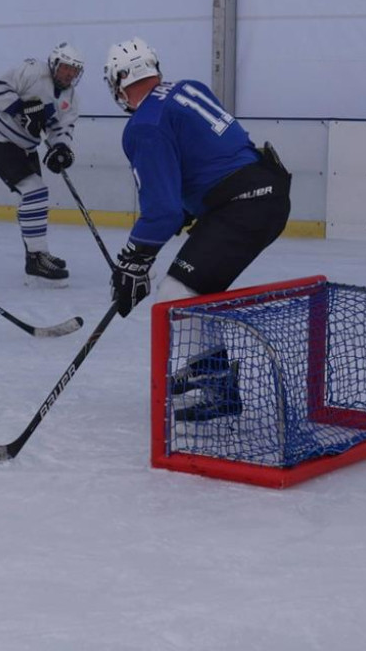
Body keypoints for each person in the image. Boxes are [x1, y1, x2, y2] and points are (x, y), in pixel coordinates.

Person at [103, 37, 291, 421]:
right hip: (267, 191)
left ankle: (217, 385)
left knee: (176, 292)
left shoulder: (144, 125)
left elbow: (162, 211)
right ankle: (209, 369)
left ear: (118, 83)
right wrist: (191, 207)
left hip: (243, 207)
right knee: (193, 289)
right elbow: (214, 156)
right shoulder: (189, 88)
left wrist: (133, 261)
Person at [0, 42, 84, 285]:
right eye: (67, 68)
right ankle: (36, 258)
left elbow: (61, 128)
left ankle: (38, 254)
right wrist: (21, 109)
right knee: (34, 192)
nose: (70, 74)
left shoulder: (71, 99)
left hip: (25, 147)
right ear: (55, 64)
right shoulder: (32, 71)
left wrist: (61, 148)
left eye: (75, 71)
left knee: (35, 196)